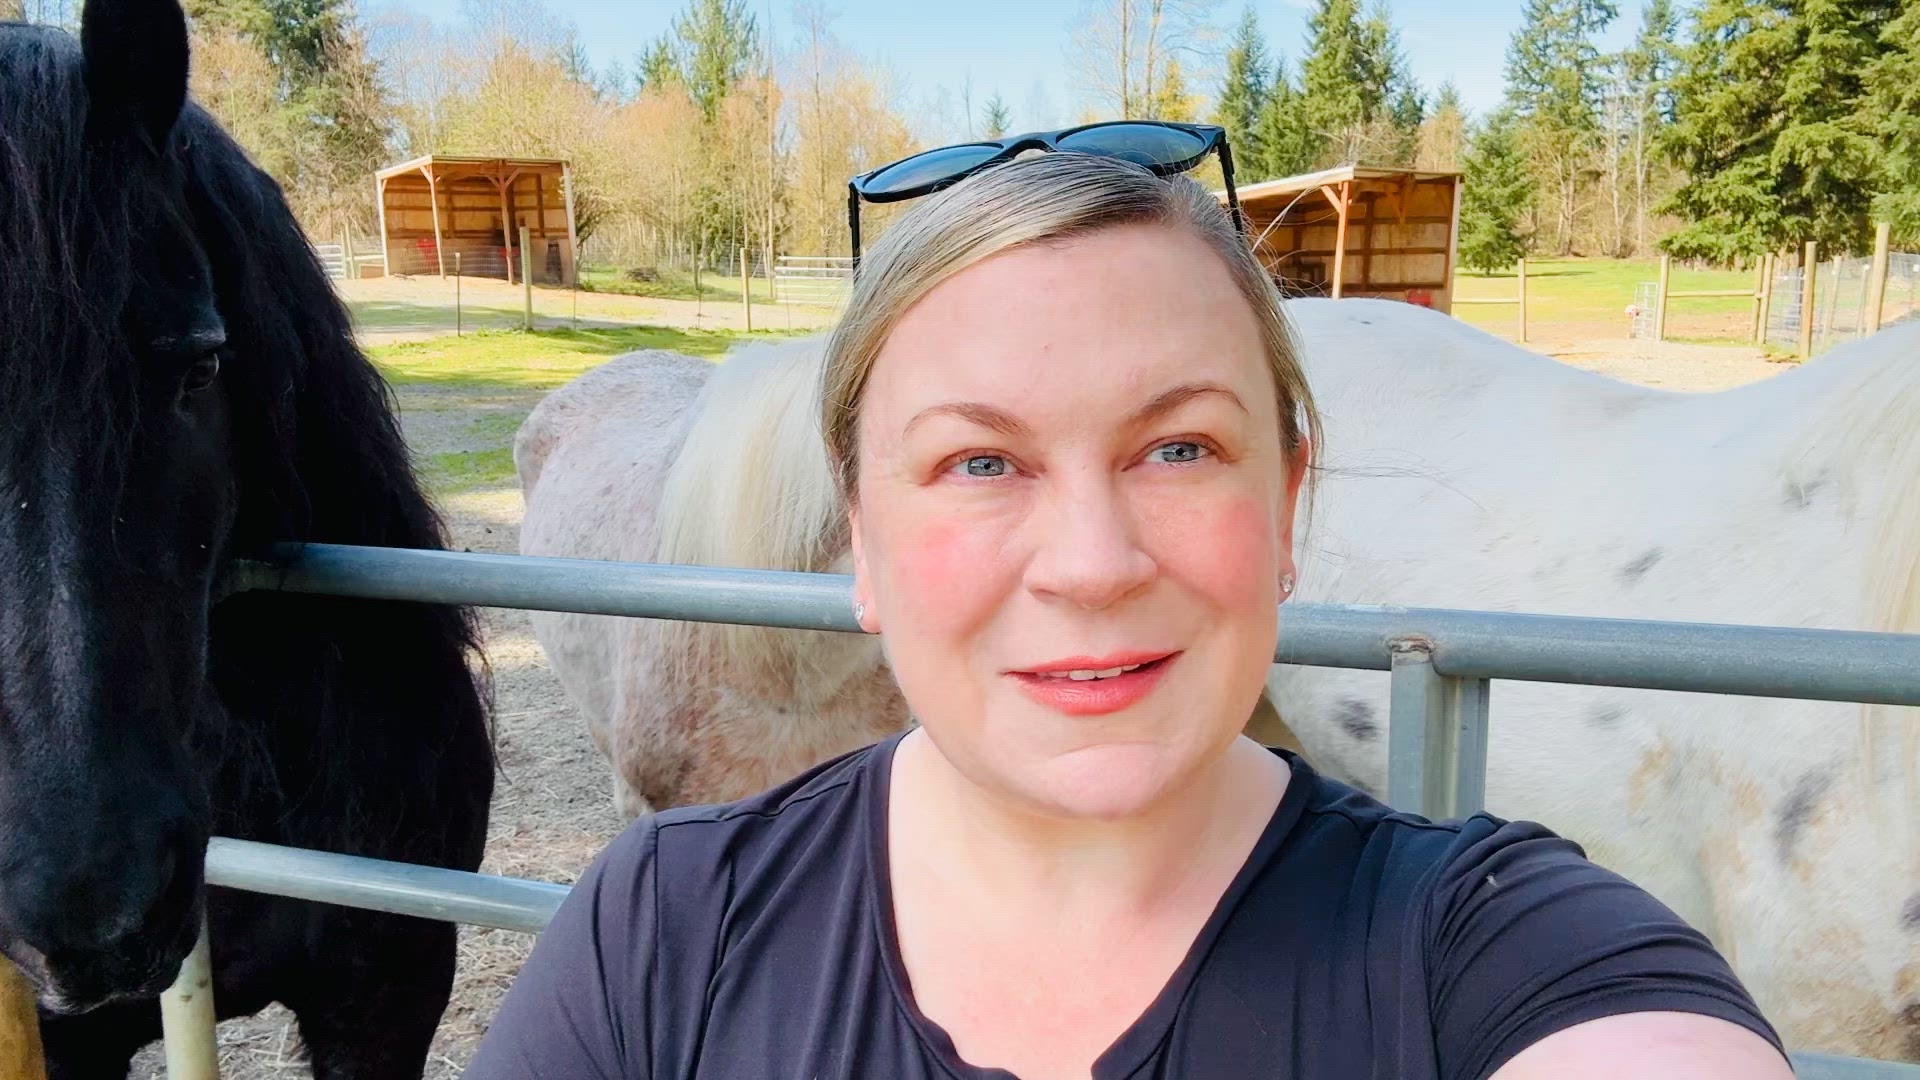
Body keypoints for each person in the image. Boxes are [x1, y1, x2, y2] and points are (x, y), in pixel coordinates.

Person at [464, 150, 1792, 1080]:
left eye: (1179, 449)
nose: (1093, 564)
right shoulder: (663, 931)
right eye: (980, 463)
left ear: (1284, 510)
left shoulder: (1500, 948)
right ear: (860, 545)